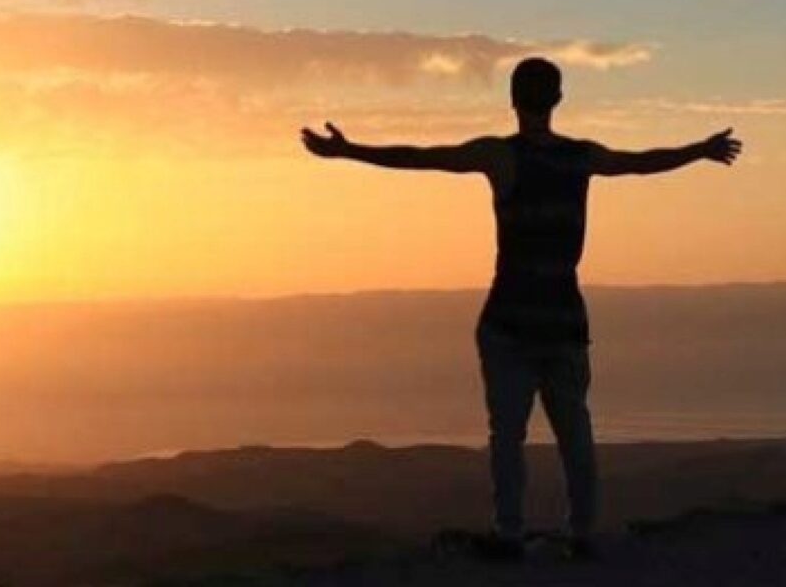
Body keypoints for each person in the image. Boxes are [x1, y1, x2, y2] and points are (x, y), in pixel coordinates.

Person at [300, 56, 741, 560]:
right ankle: (583, 535)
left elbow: (421, 157)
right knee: (575, 433)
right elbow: (641, 162)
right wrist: (700, 150)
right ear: (557, 99)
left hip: (508, 321)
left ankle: (510, 534)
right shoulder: (581, 157)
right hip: (563, 321)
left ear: (512, 100)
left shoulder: (498, 156)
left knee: (506, 437)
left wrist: (348, 150)